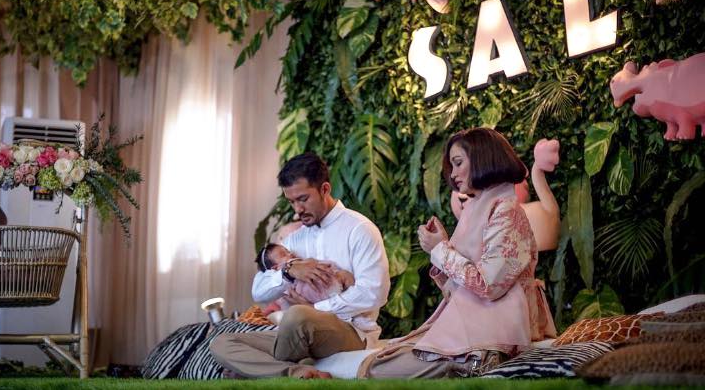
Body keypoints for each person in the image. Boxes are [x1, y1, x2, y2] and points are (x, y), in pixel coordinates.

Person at [359, 128, 556, 378]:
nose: (452, 174)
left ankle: (473, 363)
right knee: (378, 361)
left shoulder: (506, 211)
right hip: (474, 323)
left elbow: (489, 286)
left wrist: (441, 249)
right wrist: (443, 246)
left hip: (494, 328)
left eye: (458, 163)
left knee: (377, 369)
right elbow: (456, 292)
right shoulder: (477, 207)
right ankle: (464, 364)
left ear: (483, 158)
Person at [210, 152, 390, 379]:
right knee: (222, 342)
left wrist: (315, 309)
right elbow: (259, 291)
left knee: (297, 316)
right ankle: (296, 372)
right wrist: (288, 271)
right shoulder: (294, 240)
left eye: (303, 199)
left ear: (325, 189)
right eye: (291, 201)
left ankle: (256, 372)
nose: (297, 209)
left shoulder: (359, 229)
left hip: (351, 331)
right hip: (296, 331)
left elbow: (374, 294)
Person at [255, 243, 355, 317]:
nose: (290, 254)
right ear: (276, 268)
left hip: (333, 288)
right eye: (283, 254)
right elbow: (259, 294)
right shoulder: (282, 284)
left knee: (345, 275)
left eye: (288, 251)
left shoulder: (305, 261)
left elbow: (323, 264)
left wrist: (329, 267)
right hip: (314, 304)